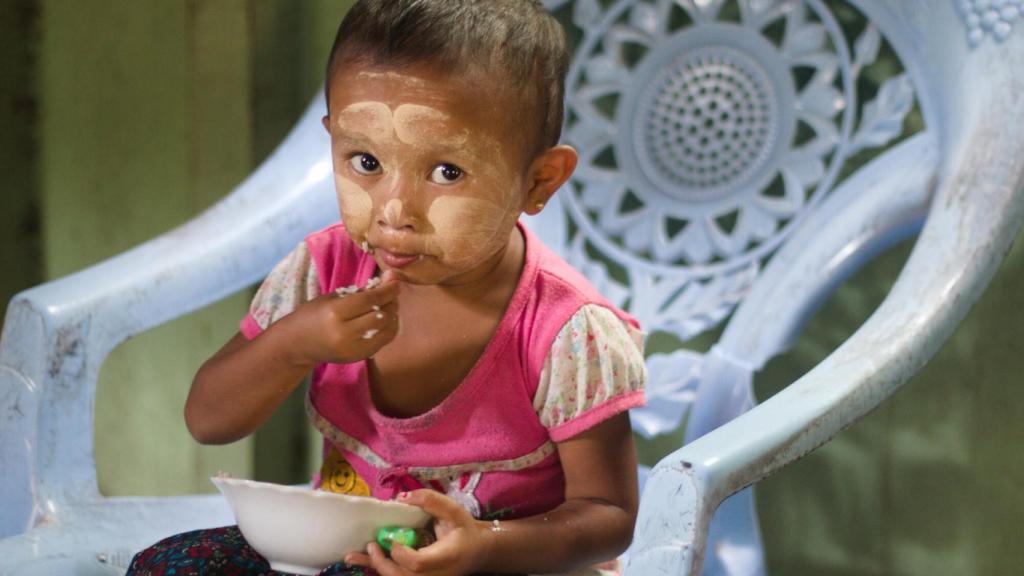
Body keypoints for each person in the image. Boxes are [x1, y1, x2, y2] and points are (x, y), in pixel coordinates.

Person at [128, 1, 647, 574]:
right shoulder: (323, 272)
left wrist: (486, 546)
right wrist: (291, 344)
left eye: (446, 172)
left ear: (539, 179)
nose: (393, 212)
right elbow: (209, 421)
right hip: (341, 556)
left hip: (507, 563)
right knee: (165, 564)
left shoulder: (565, 333)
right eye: (366, 161)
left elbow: (608, 515)